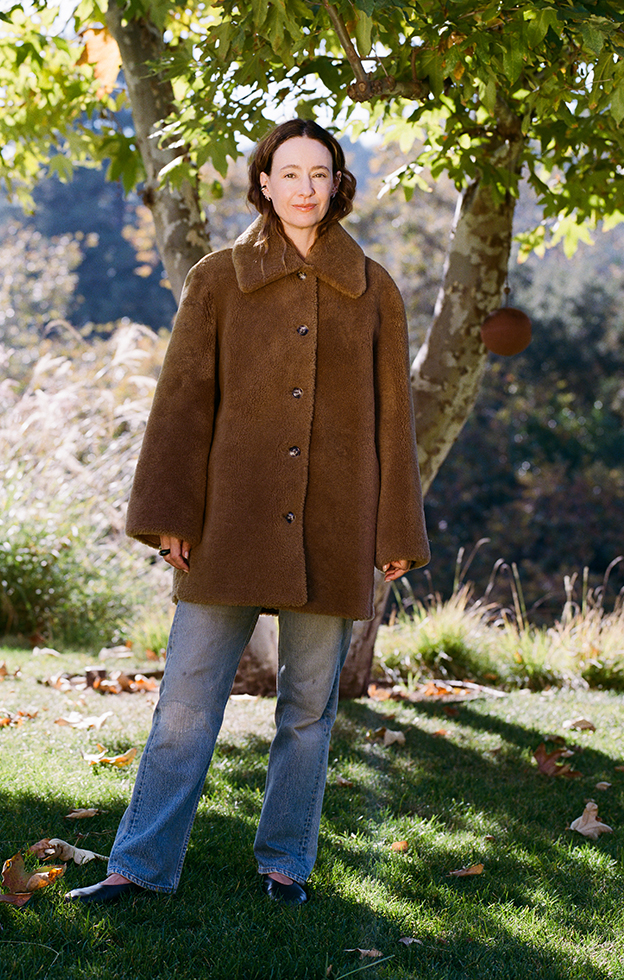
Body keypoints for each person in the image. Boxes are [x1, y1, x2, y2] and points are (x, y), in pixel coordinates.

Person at [65, 118, 430, 908]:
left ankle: (284, 867)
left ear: (337, 186)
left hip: (336, 522)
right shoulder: (218, 279)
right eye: (289, 172)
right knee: (186, 701)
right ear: (263, 181)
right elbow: (183, 405)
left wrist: (396, 528)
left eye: (319, 173)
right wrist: (172, 514)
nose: (304, 187)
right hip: (228, 520)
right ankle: (139, 866)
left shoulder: (375, 289)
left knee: (309, 710)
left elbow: (394, 418)